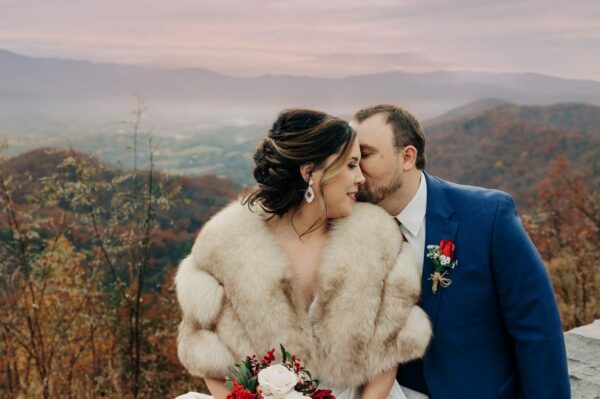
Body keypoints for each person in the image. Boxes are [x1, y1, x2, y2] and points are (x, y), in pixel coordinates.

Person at [175, 109, 432, 399]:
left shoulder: (375, 237)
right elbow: (208, 353)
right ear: (310, 172)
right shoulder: (226, 244)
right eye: (350, 166)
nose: (361, 178)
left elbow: (390, 350)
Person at [350, 104, 571, 399]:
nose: (355, 171)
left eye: (364, 155)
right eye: (349, 159)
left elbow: (538, 330)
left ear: (407, 157)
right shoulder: (347, 226)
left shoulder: (489, 217)